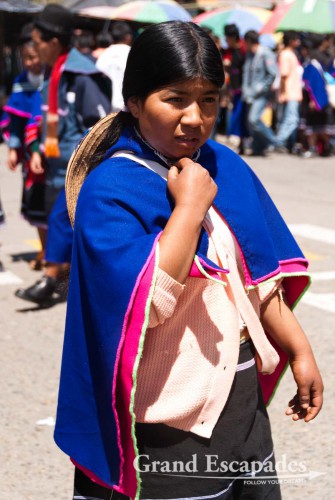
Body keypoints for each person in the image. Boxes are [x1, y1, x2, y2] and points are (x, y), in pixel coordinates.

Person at [54, 22, 323, 500]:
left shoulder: (224, 165)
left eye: (210, 100)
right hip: (170, 418)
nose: (195, 118)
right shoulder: (110, 190)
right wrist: (190, 207)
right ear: (134, 101)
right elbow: (148, 301)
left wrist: (299, 350)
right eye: (175, 99)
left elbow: (258, 278)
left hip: (240, 401)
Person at [14, 3, 111, 307]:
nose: (36, 47)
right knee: (62, 221)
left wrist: (89, 167)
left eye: (39, 41)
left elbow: (100, 126)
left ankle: (51, 278)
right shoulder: (54, 73)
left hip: (80, 168)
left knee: (60, 219)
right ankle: (66, 279)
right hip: (56, 165)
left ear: (53, 42)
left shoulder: (82, 75)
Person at [1, 23, 47, 270]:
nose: (29, 63)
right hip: (29, 157)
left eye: (33, 57)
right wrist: (12, 148)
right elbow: (16, 123)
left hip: (50, 154)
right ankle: (44, 250)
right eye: (25, 58)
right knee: (35, 206)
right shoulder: (20, 83)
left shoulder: (52, 80)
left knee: (53, 205)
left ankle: (55, 255)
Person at [242, 30, 278, 156]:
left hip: (261, 94)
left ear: (250, 42)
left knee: (254, 119)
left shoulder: (266, 53)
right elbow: (246, 73)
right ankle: (258, 148)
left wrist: (262, 87)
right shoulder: (250, 55)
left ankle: (273, 140)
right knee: (250, 123)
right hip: (249, 94)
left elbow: (272, 73)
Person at [96, 21, 133, 112]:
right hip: (128, 109)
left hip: (105, 110)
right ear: (128, 37)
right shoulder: (132, 54)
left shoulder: (104, 55)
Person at [275, 31, 303, 152]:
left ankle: (287, 143)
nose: (298, 41)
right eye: (296, 39)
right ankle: (278, 141)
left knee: (289, 119)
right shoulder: (286, 55)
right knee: (292, 119)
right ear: (291, 41)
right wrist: (283, 92)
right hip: (290, 92)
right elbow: (283, 76)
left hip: (293, 91)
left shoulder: (291, 54)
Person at [222, 24, 247, 153]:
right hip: (234, 89)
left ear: (232, 37)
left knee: (240, 117)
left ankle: (241, 142)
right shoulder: (228, 51)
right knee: (236, 116)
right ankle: (238, 143)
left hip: (244, 90)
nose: (225, 41)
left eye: (226, 38)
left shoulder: (244, 48)